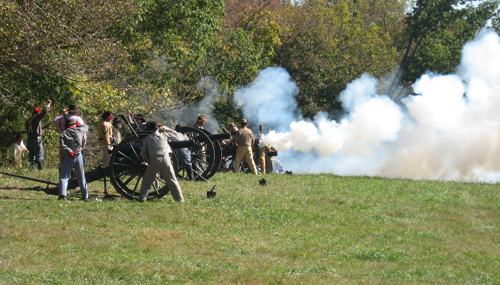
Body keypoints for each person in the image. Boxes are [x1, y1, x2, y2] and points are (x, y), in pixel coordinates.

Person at [139, 121, 184, 202]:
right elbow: (174, 133)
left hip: (155, 159)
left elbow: (142, 152)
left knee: (147, 180)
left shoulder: (148, 138)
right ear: (158, 128)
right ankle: (180, 199)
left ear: (150, 130)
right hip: (166, 158)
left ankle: (142, 199)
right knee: (172, 180)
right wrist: (165, 128)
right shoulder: (164, 135)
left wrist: (149, 159)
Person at [58, 116, 89, 200]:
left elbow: (62, 145)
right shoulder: (79, 130)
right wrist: (79, 124)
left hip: (68, 156)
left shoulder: (63, 134)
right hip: (78, 155)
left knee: (64, 176)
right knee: (81, 176)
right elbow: (86, 126)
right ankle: (85, 196)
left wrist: (70, 152)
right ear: (74, 125)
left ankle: (62, 195)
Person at [26, 99, 51, 170]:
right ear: (38, 113)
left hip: (29, 139)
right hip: (36, 139)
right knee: (39, 156)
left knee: (31, 156)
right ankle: (40, 170)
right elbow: (45, 111)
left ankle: (32, 170)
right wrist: (48, 104)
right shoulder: (36, 118)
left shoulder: (28, 120)